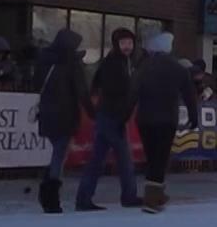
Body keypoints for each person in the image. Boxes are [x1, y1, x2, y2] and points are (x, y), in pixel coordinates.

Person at [76, 28, 142, 212]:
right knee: (124, 159)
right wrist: (122, 115)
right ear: (116, 45)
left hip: (108, 116)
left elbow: (98, 85)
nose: (127, 47)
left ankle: (84, 197)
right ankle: (128, 196)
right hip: (113, 117)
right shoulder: (115, 64)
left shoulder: (120, 62)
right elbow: (115, 91)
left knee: (98, 159)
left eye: (130, 43)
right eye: (123, 43)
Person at [134, 33, 199, 213]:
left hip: (145, 118)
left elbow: (133, 92)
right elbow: (189, 95)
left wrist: (125, 114)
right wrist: (194, 117)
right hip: (166, 119)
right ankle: (152, 199)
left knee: (152, 156)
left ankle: (157, 193)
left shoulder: (143, 67)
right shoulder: (178, 68)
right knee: (160, 158)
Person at [34, 28, 92, 213]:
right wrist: (92, 112)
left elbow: (35, 83)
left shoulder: (44, 60)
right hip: (66, 113)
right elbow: (81, 90)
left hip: (47, 113)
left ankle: (48, 188)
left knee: (58, 151)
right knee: (60, 153)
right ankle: (50, 192)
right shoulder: (72, 64)